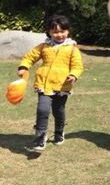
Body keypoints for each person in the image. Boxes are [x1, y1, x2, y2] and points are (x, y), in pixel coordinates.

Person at [17, 14, 84, 151]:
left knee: (58, 111)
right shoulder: (44, 46)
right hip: (44, 84)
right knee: (42, 109)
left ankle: (59, 131)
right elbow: (30, 57)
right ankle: (40, 137)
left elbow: (77, 66)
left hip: (61, 85)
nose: (59, 35)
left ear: (68, 31)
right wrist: (24, 66)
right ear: (49, 32)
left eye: (62, 31)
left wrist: (73, 75)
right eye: (55, 32)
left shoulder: (72, 48)